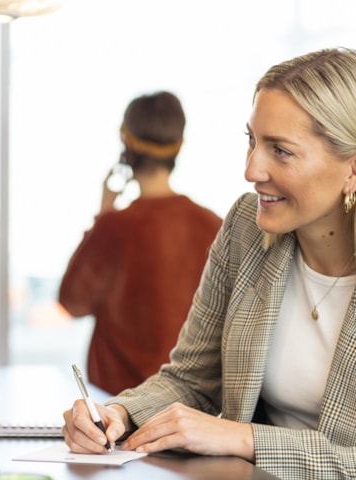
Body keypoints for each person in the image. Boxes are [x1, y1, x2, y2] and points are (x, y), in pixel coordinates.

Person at [62, 46, 356, 480]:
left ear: (351, 169)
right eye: (252, 141)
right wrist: (119, 413)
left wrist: (241, 438)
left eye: (281, 151)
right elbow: (193, 380)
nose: (251, 169)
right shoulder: (245, 228)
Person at [58, 91, 222, 395]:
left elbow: (72, 301)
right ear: (179, 145)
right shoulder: (213, 225)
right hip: (188, 408)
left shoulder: (113, 226)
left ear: (125, 140)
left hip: (117, 404)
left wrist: (102, 213)